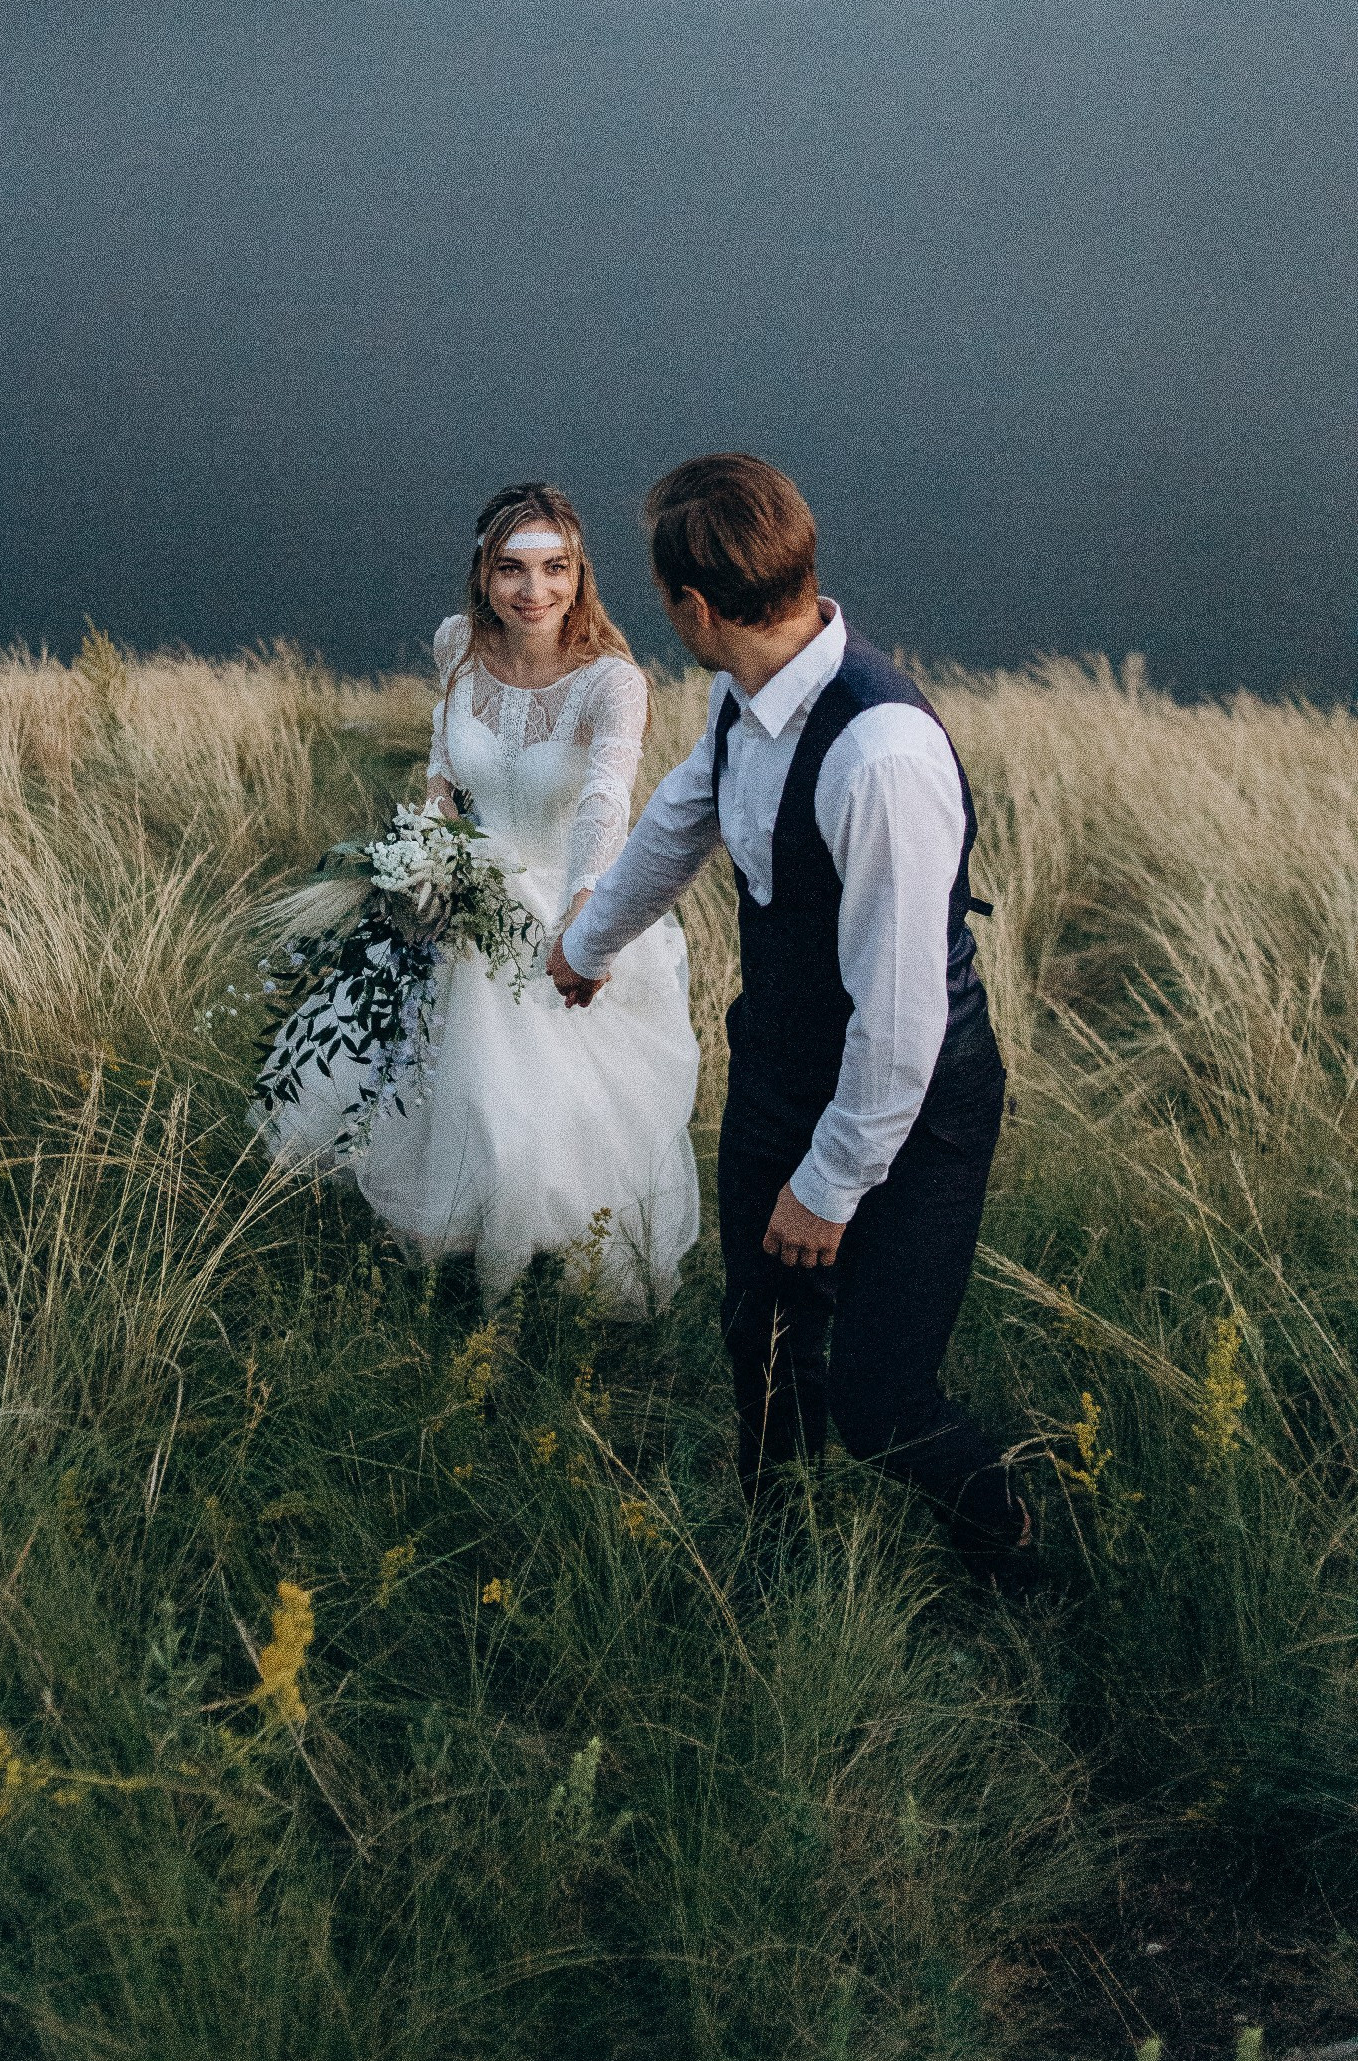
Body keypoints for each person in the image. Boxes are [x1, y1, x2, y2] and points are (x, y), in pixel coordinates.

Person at [549, 453, 1031, 1575]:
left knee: (878, 1400)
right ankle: (778, 1561)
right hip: (778, 1068)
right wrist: (585, 945)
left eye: (662, 598)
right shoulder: (744, 689)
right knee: (761, 1345)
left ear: (695, 607)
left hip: (914, 1111)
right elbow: (682, 816)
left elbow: (900, 1023)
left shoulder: (880, 756)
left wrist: (828, 1185)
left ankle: (1007, 1535)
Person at [263, 483, 701, 1317]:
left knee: (529, 1112)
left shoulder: (612, 682)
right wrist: (428, 855)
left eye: (555, 568)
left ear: (580, 573)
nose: (535, 591)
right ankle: (454, 1276)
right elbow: (444, 765)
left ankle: (533, 1289)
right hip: (455, 900)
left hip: (558, 906)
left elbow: (605, 801)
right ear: (483, 574)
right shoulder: (458, 644)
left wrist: (583, 909)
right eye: (512, 569)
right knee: (444, 1098)